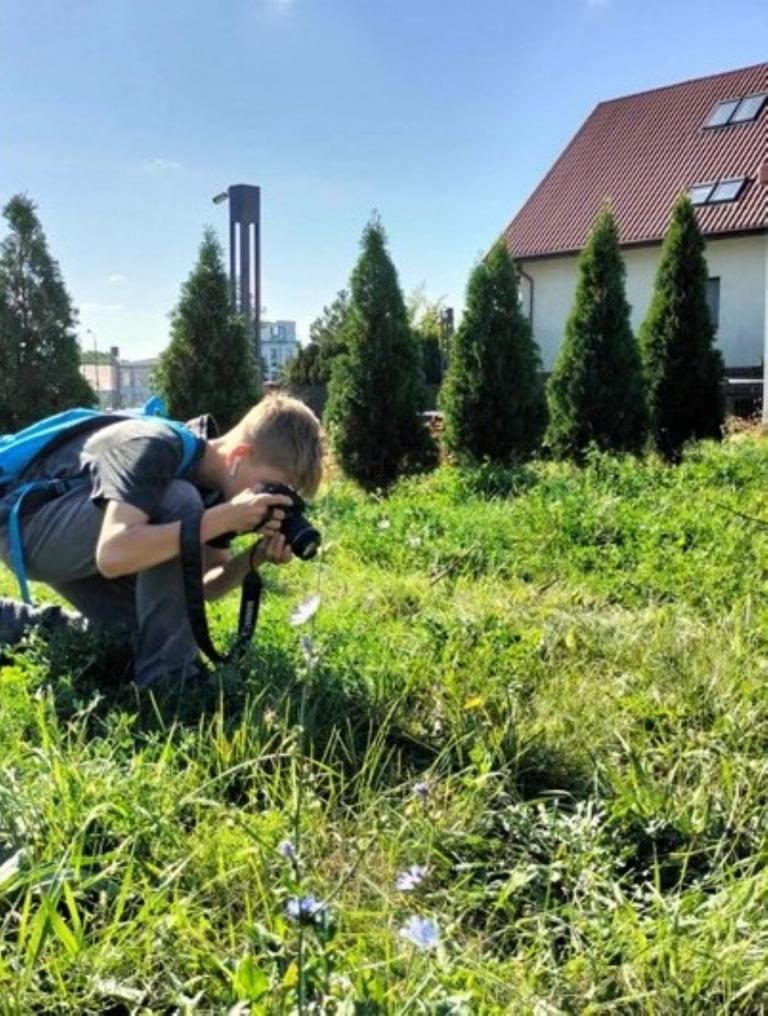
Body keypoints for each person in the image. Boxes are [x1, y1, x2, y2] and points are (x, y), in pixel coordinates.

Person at [0, 394, 323, 688]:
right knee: (178, 500)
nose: (271, 500)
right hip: (26, 524)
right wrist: (222, 518)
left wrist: (252, 559)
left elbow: (204, 586)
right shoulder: (155, 447)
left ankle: (11, 622)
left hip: (79, 533)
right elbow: (112, 554)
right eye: (273, 487)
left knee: (139, 639)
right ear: (238, 455)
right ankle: (170, 682)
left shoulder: (218, 490)